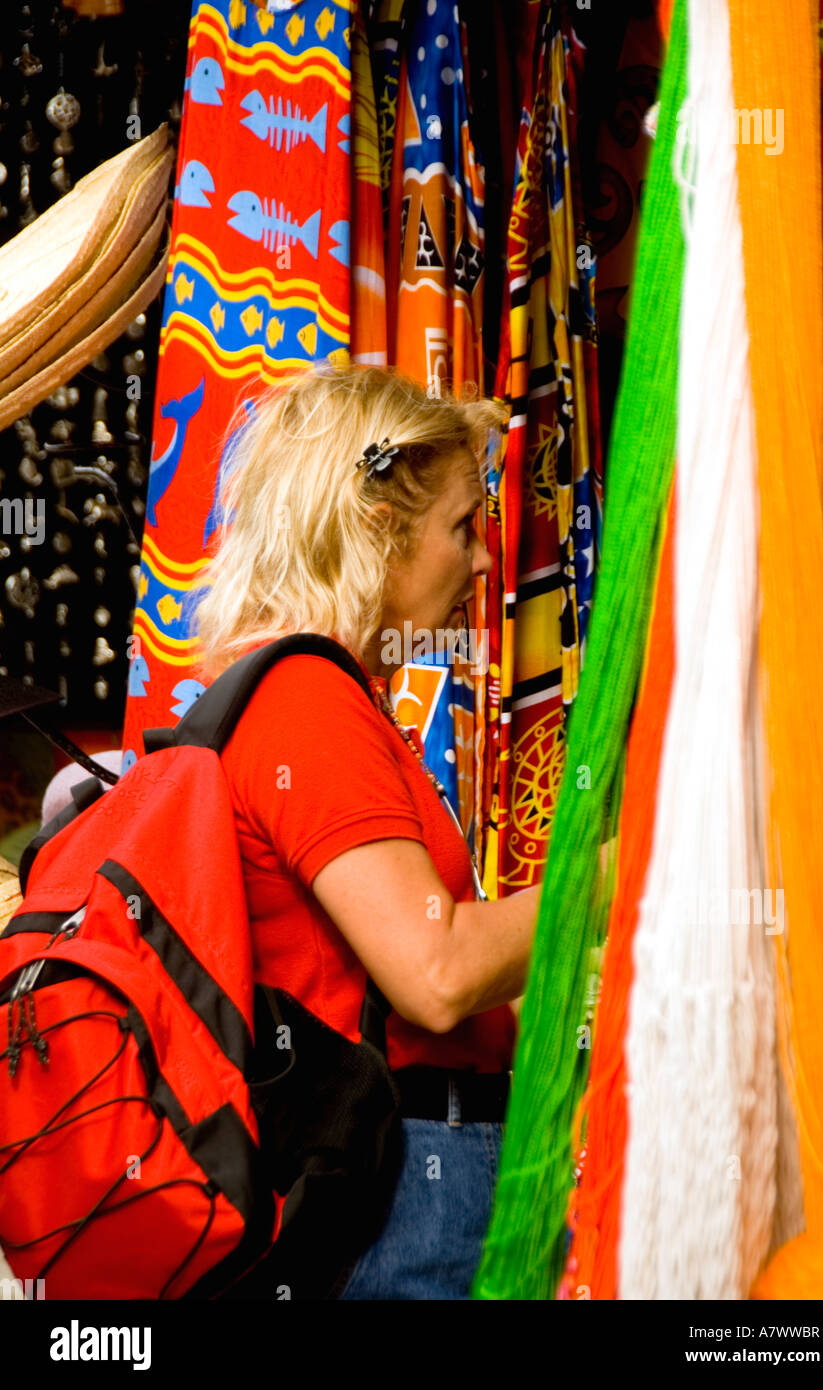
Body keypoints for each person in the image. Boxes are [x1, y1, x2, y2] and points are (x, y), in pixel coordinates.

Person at [192, 363, 542, 1299]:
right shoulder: (307, 701)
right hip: (411, 1194)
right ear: (379, 531)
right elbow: (439, 974)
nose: (480, 562)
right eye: (463, 527)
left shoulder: (286, 692)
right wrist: (621, 878)